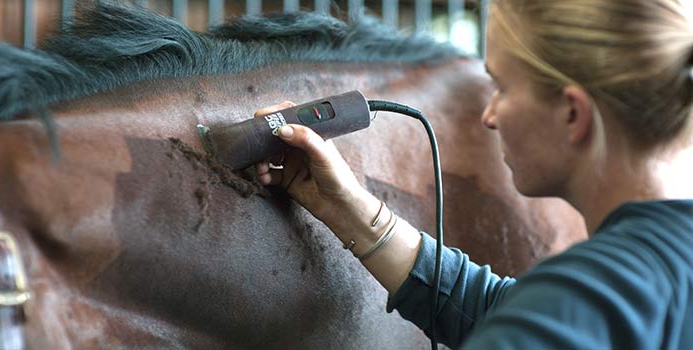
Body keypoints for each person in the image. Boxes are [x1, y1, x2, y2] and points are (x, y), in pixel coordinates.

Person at [253, 0, 693, 348]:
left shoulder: (581, 303)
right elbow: (504, 311)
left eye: (501, 86)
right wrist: (353, 212)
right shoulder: (638, 285)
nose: (489, 115)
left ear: (573, 113)